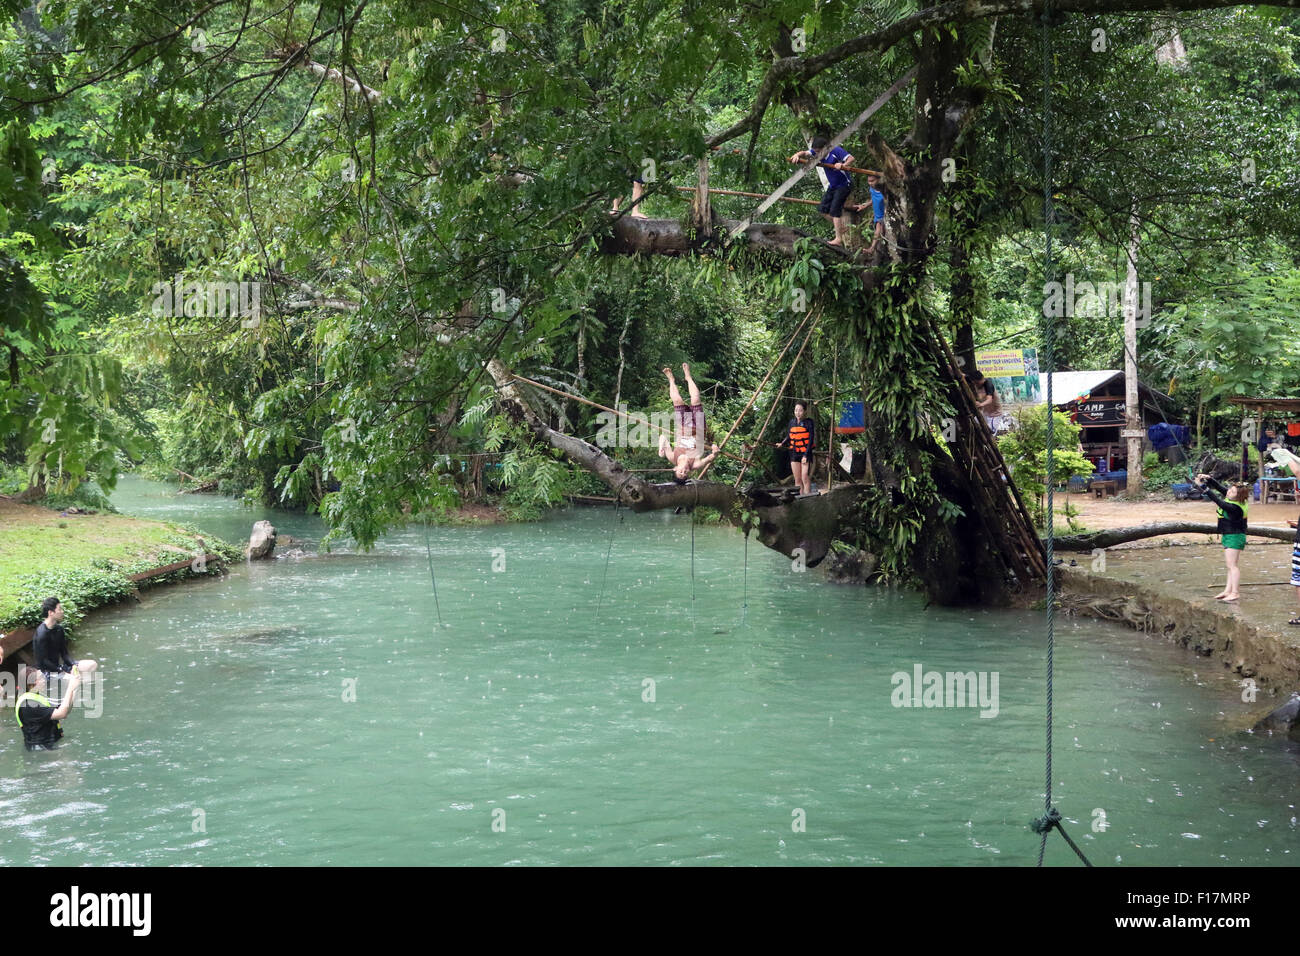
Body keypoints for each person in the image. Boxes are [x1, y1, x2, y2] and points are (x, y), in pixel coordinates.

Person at [788, 136, 855, 246]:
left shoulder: (836, 151)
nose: (817, 154)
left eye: (819, 152)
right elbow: (805, 153)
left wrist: (843, 165)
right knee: (822, 209)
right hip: (833, 186)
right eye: (816, 152)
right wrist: (797, 155)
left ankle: (838, 239)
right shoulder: (816, 153)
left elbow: (851, 158)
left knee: (835, 210)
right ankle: (840, 227)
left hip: (844, 185)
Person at [657, 364, 719, 482]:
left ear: (675, 469)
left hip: (683, 427)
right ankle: (688, 377)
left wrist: (661, 449)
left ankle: (671, 380)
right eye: (685, 473)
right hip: (699, 429)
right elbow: (710, 458)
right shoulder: (694, 465)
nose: (684, 471)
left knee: (677, 401)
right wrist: (715, 452)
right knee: (695, 399)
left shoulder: (672, 457)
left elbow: (663, 437)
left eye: (680, 472)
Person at [1194, 473, 1250, 602]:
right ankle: (1227, 590)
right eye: (1230, 489)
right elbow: (1220, 488)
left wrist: (1203, 487)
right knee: (1230, 565)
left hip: (1234, 536)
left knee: (1232, 566)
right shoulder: (1237, 499)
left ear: (1238, 495)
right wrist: (1209, 479)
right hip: (1230, 535)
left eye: (1232, 491)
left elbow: (1217, 500)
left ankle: (1235, 592)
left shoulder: (1235, 507)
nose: (1228, 492)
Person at [32, 598, 98, 699]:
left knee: (92, 665)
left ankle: (79, 690)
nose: (62, 611)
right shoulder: (41, 633)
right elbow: (43, 661)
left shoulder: (59, 629)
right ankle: (76, 694)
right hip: (45, 672)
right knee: (76, 679)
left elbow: (64, 654)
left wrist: (73, 665)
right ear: (51, 612)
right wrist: (62, 671)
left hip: (58, 667)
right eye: (60, 609)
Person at [15, 666, 82, 750]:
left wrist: (74, 688)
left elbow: (64, 710)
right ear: (31, 684)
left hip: (48, 745)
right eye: (40, 678)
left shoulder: (35, 697)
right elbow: (62, 714)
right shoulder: (29, 704)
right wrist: (70, 687)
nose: (44, 680)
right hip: (41, 750)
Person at [775, 402, 816, 496]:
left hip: (805, 452)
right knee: (797, 479)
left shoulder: (809, 422)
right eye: (796, 410)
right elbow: (789, 436)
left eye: (800, 410)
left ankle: (807, 497)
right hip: (794, 452)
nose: (798, 413)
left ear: (805, 411)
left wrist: (806, 454)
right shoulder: (792, 422)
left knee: (804, 476)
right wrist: (782, 443)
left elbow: (810, 440)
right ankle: (800, 497)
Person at [850, 171, 886, 255]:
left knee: (878, 230)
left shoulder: (885, 191)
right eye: (868, 181)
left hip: (884, 214)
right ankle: (875, 249)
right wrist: (865, 205)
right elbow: (873, 199)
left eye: (872, 181)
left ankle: (872, 248)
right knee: (879, 231)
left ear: (878, 180)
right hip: (877, 214)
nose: (870, 183)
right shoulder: (872, 189)